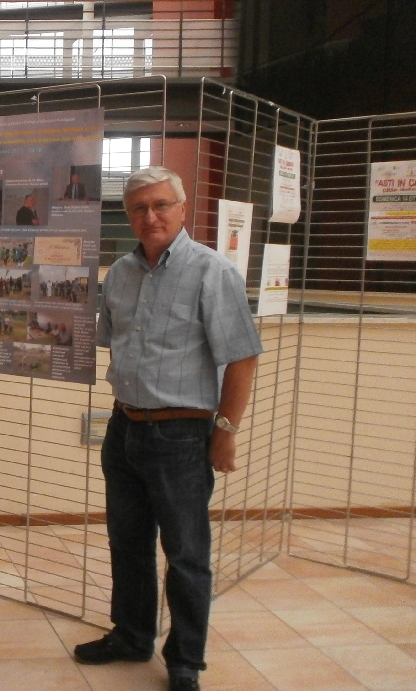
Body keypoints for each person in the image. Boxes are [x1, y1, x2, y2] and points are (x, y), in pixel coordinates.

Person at [75, 166, 262, 691]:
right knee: (127, 542)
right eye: (139, 208)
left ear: (182, 208)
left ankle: (185, 661)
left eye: (160, 205)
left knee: (185, 554)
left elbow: (243, 358)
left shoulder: (212, 272)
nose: (150, 216)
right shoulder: (120, 273)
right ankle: (132, 637)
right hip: (124, 427)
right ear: (128, 215)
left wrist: (225, 431)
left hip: (181, 437)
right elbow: (113, 341)